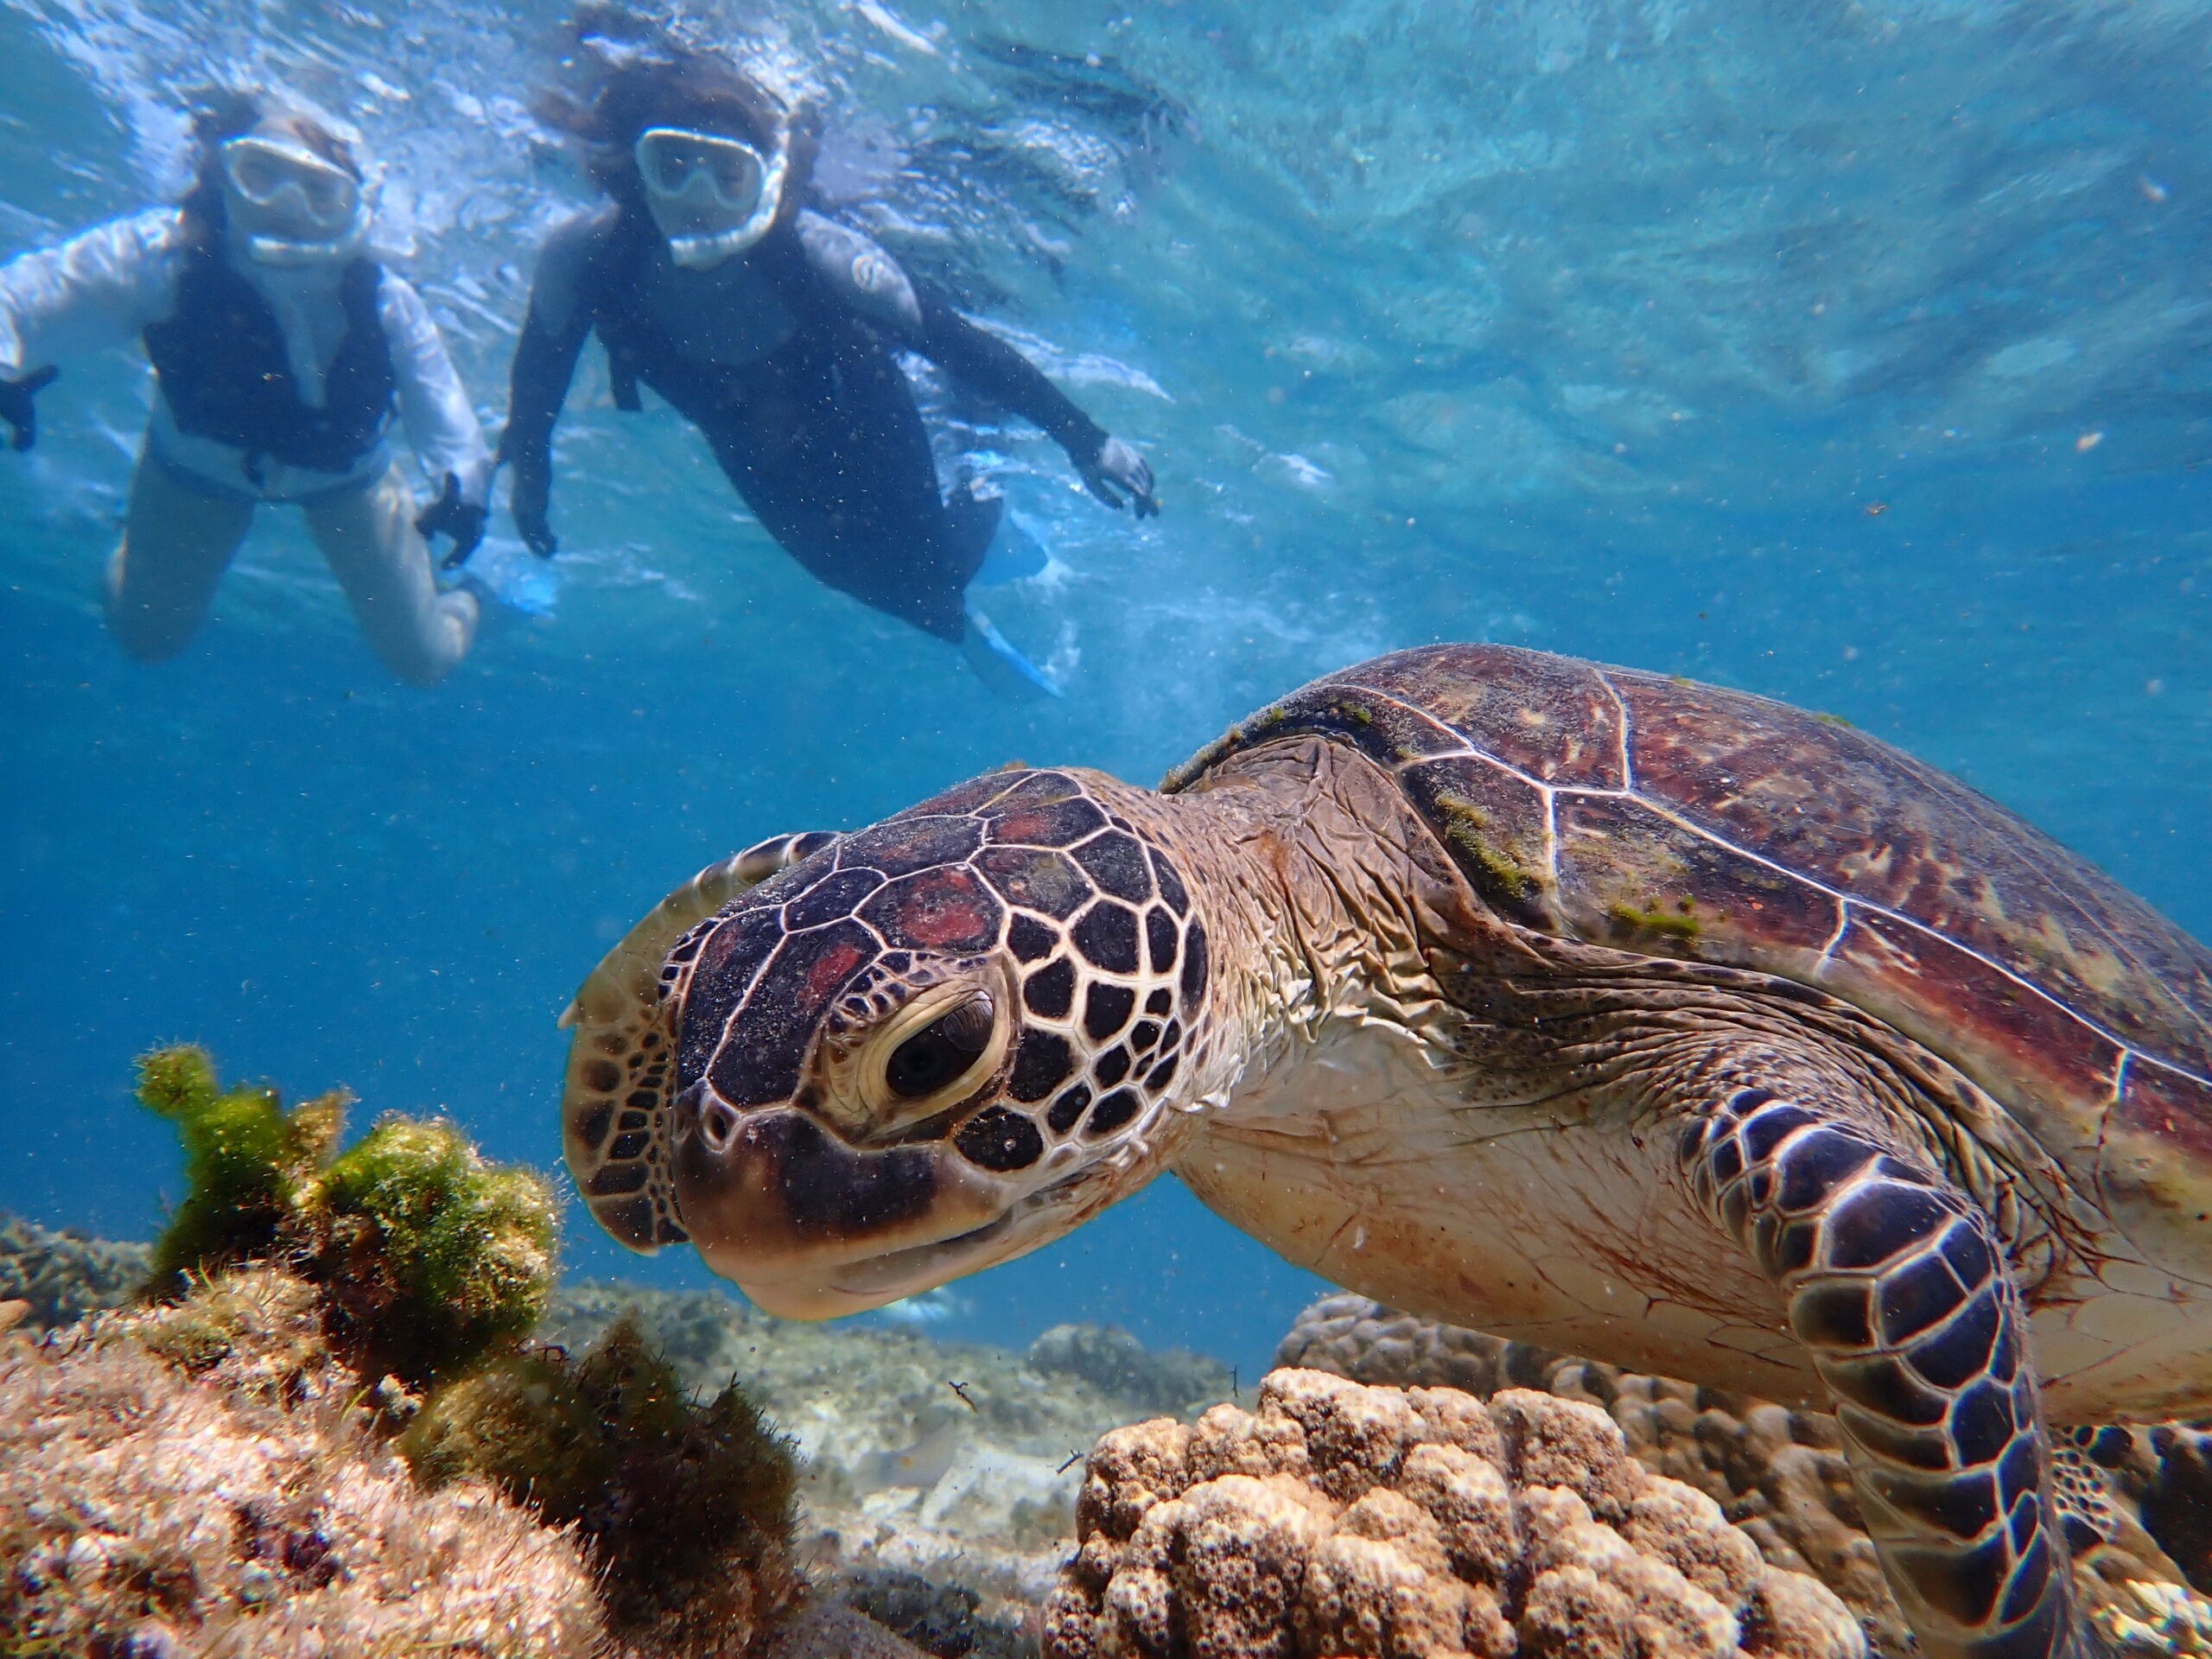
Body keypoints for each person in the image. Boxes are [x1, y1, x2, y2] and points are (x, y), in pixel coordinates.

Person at [496, 49, 1160, 693]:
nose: (699, 198)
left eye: (727, 175)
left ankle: (978, 492)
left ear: (764, 179)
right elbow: (539, 377)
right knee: (843, 573)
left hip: (858, 404)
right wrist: (530, 471)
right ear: (632, 168)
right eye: (672, 166)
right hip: (743, 436)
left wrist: (1085, 439)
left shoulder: (823, 255)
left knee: (932, 566)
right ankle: (946, 619)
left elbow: (963, 345)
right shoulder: (586, 258)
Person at [0, 91, 492, 685]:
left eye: (317, 192)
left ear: (351, 203)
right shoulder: (161, 254)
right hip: (197, 466)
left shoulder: (386, 299)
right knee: (146, 639)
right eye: (261, 175)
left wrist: (464, 491)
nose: (286, 208)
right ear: (221, 171)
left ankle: (473, 596)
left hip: (347, 477)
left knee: (424, 660)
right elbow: (19, 297)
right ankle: (128, 545)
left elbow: (444, 410)